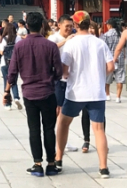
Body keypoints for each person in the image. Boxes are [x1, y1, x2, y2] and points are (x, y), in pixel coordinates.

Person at [56, 10, 113, 178]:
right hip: (96, 92)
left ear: (75, 24)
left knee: (63, 123)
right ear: (90, 23)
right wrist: (99, 74)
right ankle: (103, 167)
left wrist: (68, 74)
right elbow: (110, 67)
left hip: (76, 92)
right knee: (98, 128)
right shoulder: (99, 43)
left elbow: (64, 71)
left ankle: (58, 158)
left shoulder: (71, 44)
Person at [7, 11, 63, 177]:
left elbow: (12, 72)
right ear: (42, 25)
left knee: (34, 129)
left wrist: (7, 90)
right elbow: (59, 72)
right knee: (49, 129)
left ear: (27, 26)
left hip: (29, 92)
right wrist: (50, 78)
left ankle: (37, 164)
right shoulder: (50, 46)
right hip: (47, 92)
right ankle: (51, 164)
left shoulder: (19, 46)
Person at [48, 15, 83, 151]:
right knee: (59, 110)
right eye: (66, 26)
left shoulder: (74, 37)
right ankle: (58, 139)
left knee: (65, 111)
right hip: (57, 79)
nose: (69, 28)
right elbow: (50, 49)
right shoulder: (54, 38)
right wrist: (65, 41)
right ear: (59, 25)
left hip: (71, 79)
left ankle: (61, 139)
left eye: (71, 26)